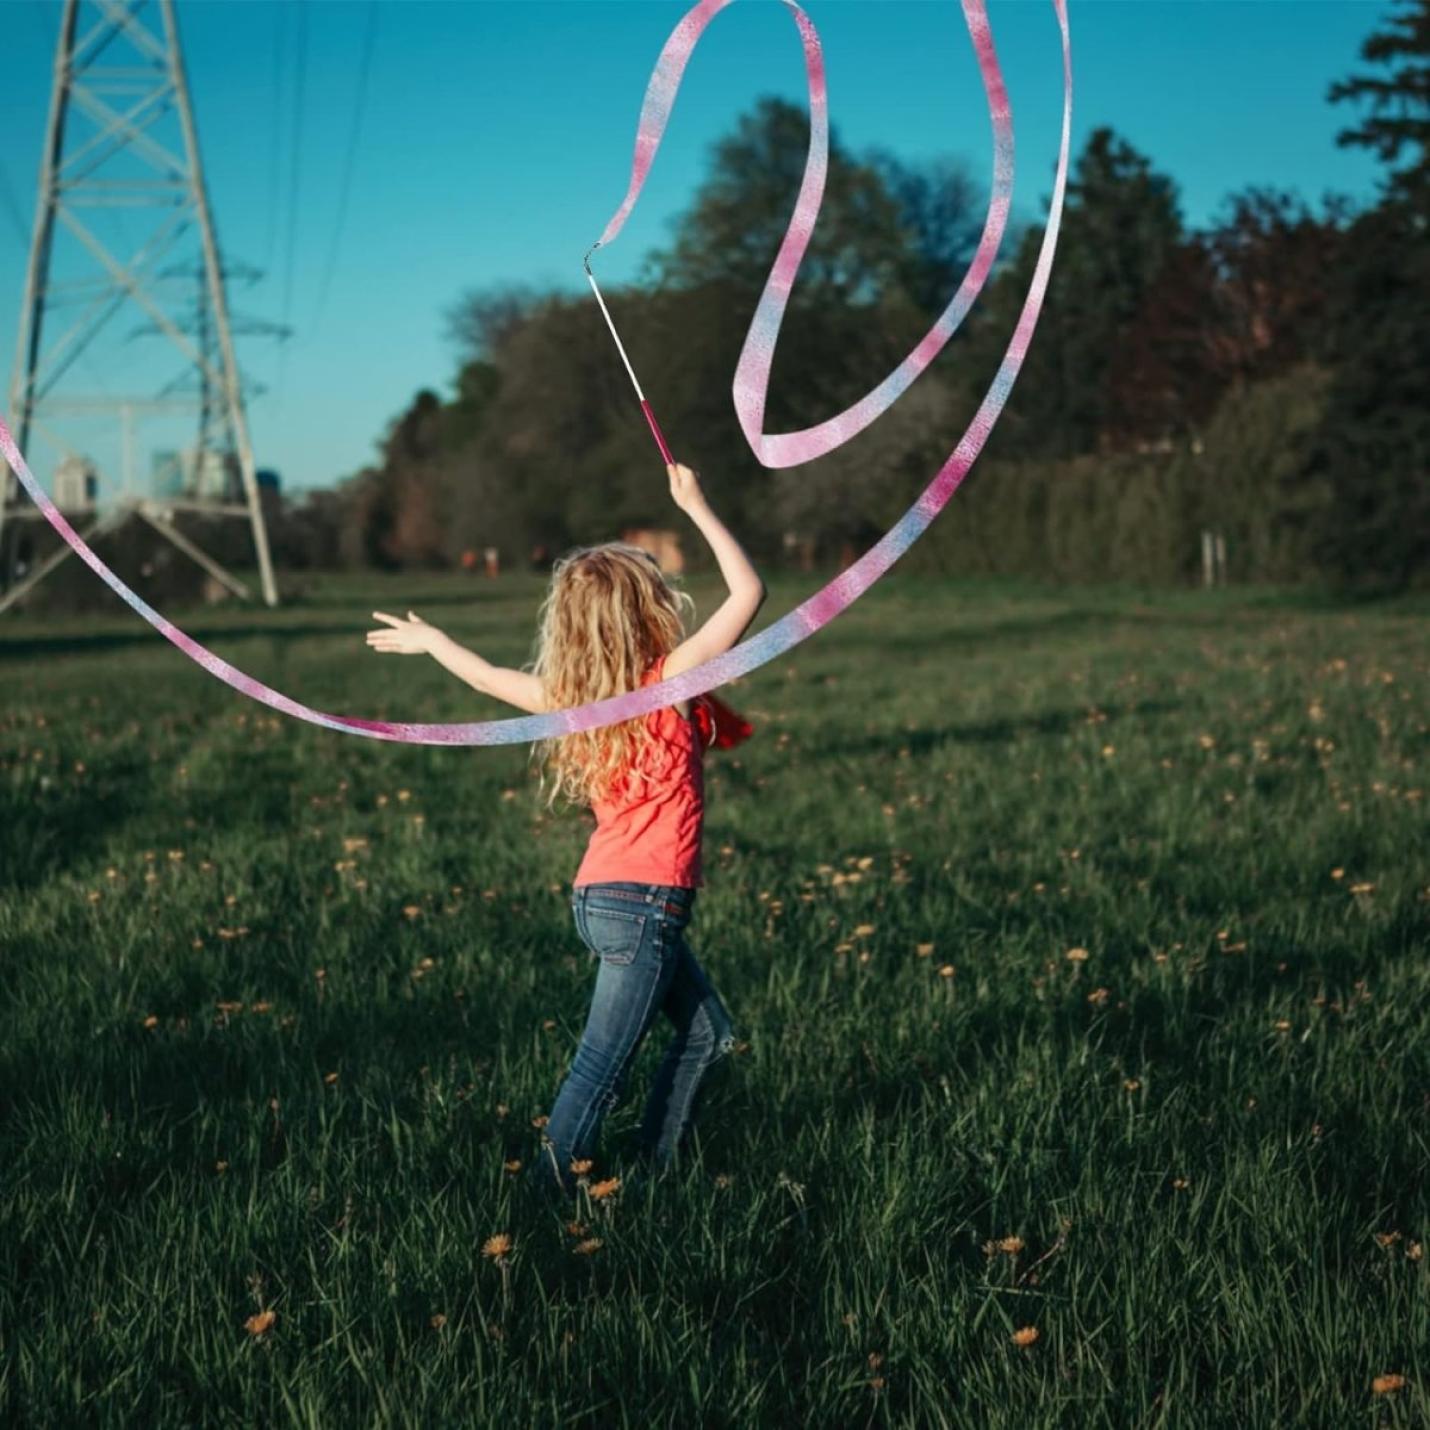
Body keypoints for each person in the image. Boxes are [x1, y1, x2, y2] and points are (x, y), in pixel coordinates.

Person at [365, 462, 765, 1201]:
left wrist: (436, 642)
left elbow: (488, 679)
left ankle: (654, 1171)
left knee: (708, 1034)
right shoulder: (669, 682)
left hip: (604, 899)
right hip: (644, 907)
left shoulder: (572, 699)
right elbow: (749, 593)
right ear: (645, 610)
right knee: (600, 1068)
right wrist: (697, 505)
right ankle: (547, 1198)